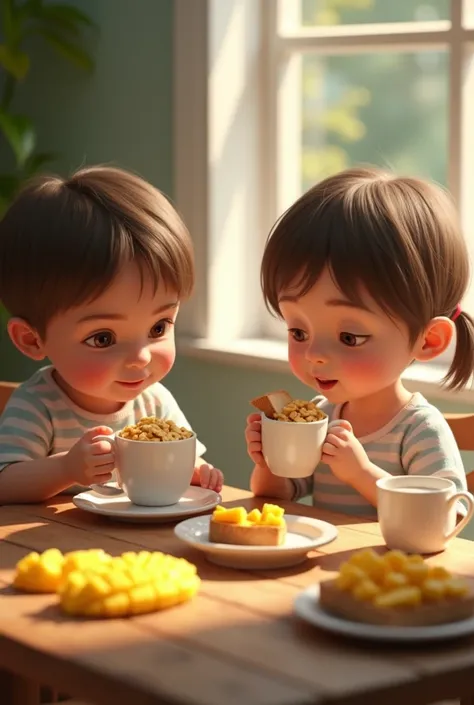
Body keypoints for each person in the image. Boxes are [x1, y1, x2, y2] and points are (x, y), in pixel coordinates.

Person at [246, 167, 473, 517]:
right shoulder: (321, 414)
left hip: (397, 570)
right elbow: (277, 497)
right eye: (298, 332)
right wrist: (269, 463)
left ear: (428, 341)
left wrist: (362, 473)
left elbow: (448, 515)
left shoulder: (419, 428)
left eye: (349, 337)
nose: (315, 355)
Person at [0, 165, 223, 504]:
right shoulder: (38, 405)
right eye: (103, 338)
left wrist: (197, 470)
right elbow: (4, 481)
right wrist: (66, 469)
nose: (141, 357)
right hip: (50, 547)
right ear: (32, 340)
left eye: (158, 328)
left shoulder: (154, 401)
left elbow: (184, 457)